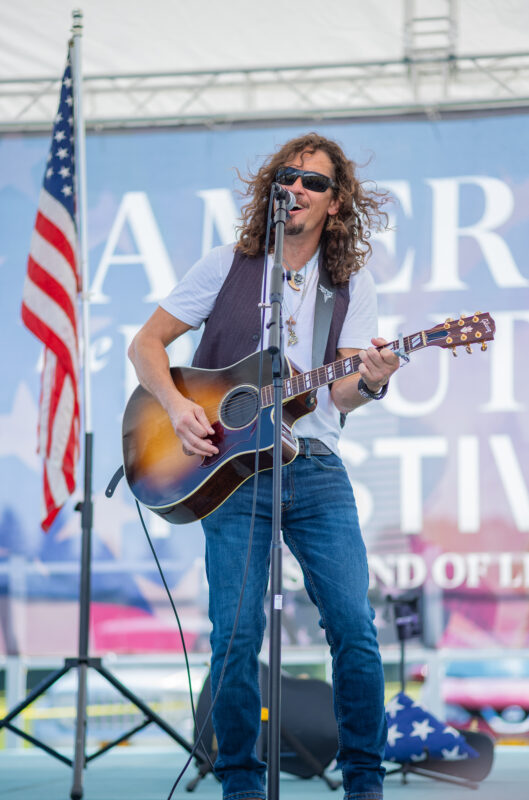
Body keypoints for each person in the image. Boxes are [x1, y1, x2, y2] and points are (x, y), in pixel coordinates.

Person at [128, 132, 400, 800]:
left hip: (314, 466)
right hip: (228, 472)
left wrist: (370, 380)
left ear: (335, 204)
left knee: (353, 629)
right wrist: (177, 406)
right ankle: (241, 783)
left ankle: (364, 780)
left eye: (313, 182)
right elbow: (147, 344)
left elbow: (338, 396)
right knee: (236, 635)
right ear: (271, 189)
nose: (297, 189)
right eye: (288, 178)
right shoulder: (228, 264)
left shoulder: (348, 286)